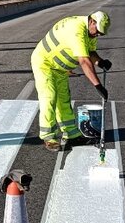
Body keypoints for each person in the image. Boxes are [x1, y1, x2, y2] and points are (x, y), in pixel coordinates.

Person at [31, 11, 112, 151]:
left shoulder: (90, 32)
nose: (97, 35)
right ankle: (49, 137)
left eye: (100, 34)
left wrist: (100, 62)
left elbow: (90, 52)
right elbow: (84, 61)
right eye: (97, 32)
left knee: (64, 99)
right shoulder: (77, 29)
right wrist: (98, 85)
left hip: (60, 69)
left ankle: (71, 134)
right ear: (92, 22)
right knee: (49, 97)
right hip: (45, 64)